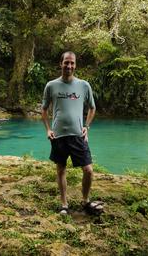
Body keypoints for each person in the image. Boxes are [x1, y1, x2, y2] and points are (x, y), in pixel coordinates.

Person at [41, 51, 103, 215]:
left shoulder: (84, 85)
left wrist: (86, 126)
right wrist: (48, 129)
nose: (69, 66)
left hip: (78, 135)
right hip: (59, 136)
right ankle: (64, 204)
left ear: (75, 65)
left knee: (88, 170)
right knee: (61, 170)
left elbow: (92, 107)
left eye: (72, 63)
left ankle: (85, 201)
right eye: (66, 62)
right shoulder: (51, 85)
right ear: (60, 64)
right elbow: (44, 109)